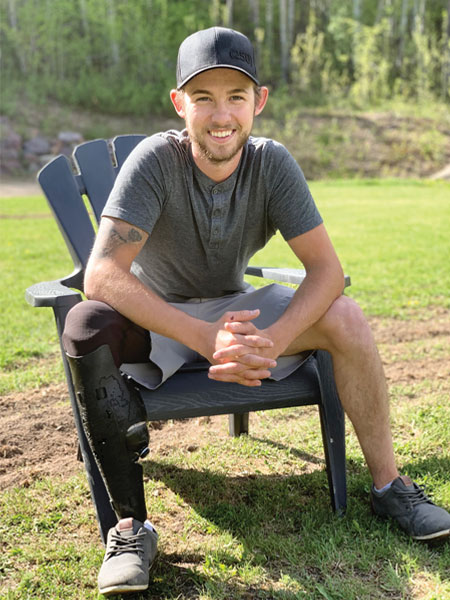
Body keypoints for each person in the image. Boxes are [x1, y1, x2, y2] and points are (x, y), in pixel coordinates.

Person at [62, 26, 450, 596]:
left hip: (239, 308)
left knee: (347, 315)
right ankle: (129, 529)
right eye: (203, 98)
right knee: (85, 322)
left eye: (236, 97)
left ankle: (390, 487)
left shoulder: (272, 164)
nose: (222, 115)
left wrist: (273, 338)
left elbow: (327, 271)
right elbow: (101, 274)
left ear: (259, 102)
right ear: (179, 104)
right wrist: (202, 337)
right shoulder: (154, 161)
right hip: (161, 318)